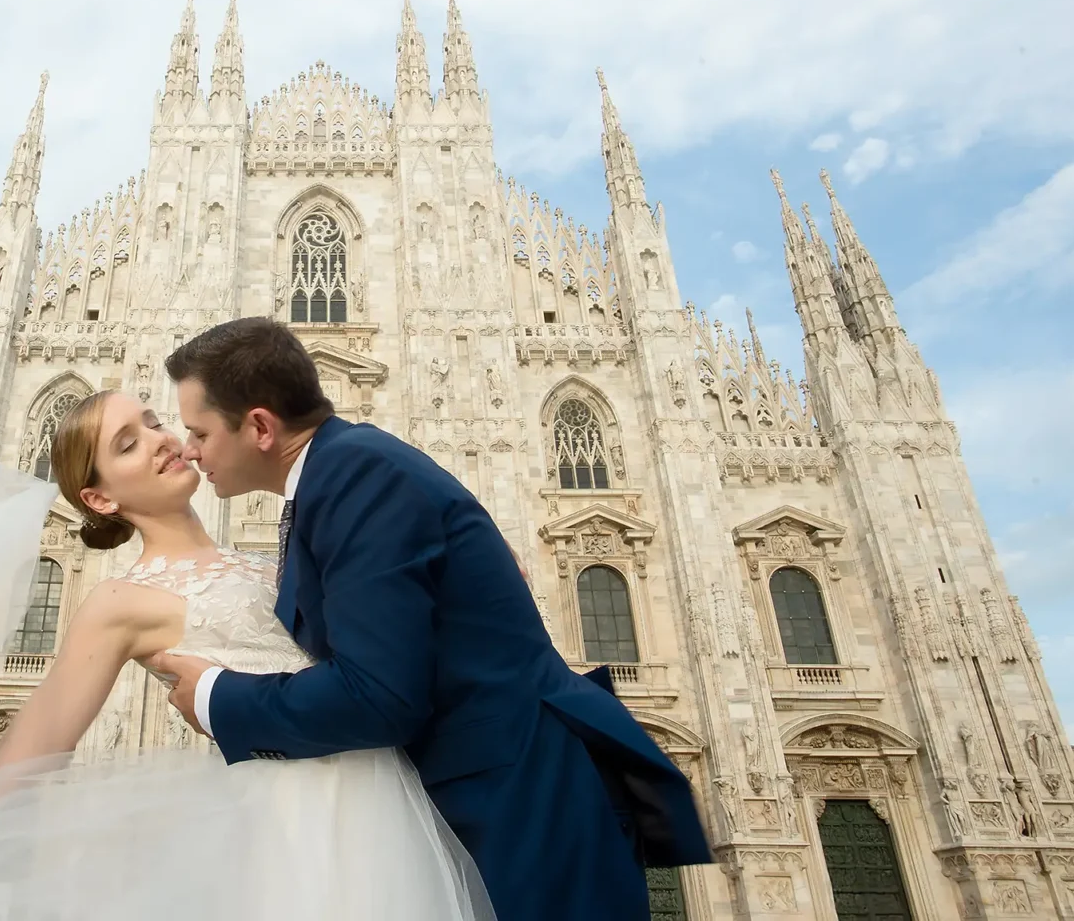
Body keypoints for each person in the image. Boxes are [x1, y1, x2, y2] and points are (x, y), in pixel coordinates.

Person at [0, 390, 493, 921]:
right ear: (99, 498)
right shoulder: (118, 605)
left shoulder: (279, 558)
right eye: (128, 443)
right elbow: (12, 763)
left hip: (402, 803)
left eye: (154, 421)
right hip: (301, 831)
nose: (161, 439)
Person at [150, 316, 711, 919]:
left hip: (522, 797)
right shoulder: (341, 475)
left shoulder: (357, 477)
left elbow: (380, 694)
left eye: (198, 432)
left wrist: (216, 695)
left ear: (259, 426)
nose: (189, 450)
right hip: (488, 787)